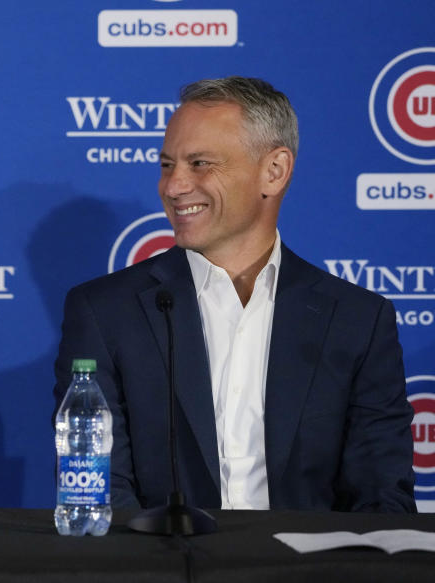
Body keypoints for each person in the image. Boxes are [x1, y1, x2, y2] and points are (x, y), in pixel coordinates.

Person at [54, 77, 415, 513]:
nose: (173, 187)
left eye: (200, 163)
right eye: (167, 165)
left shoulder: (358, 320)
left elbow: (380, 499)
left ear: (274, 172)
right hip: (160, 574)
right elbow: (99, 494)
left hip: (309, 577)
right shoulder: (105, 312)